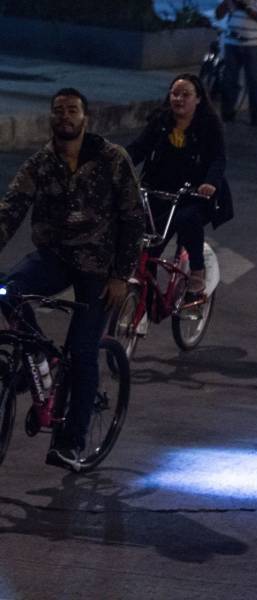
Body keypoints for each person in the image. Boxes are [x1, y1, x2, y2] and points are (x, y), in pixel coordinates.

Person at [0, 89, 143, 470]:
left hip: (100, 269)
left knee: (82, 352)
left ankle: (71, 442)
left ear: (86, 118)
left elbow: (134, 220)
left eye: (72, 110)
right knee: (6, 291)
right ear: (51, 118)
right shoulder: (40, 164)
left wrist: (121, 276)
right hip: (56, 258)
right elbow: (10, 209)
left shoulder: (113, 159)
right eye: (58, 111)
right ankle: (40, 355)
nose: (65, 116)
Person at [127, 74, 232, 297]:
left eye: (186, 95)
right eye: (175, 94)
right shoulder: (160, 121)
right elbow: (139, 148)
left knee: (188, 219)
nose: (179, 99)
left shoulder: (209, 125)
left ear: (198, 99)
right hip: (158, 190)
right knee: (147, 245)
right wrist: (117, 164)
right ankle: (144, 303)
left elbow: (218, 158)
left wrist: (209, 183)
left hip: (193, 193)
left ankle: (197, 270)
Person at [214, 0, 257, 126]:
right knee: (229, 80)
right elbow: (218, 15)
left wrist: (246, 8)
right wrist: (227, 4)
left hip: (253, 45)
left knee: (255, 81)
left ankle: (256, 116)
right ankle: (227, 113)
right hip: (232, 43)